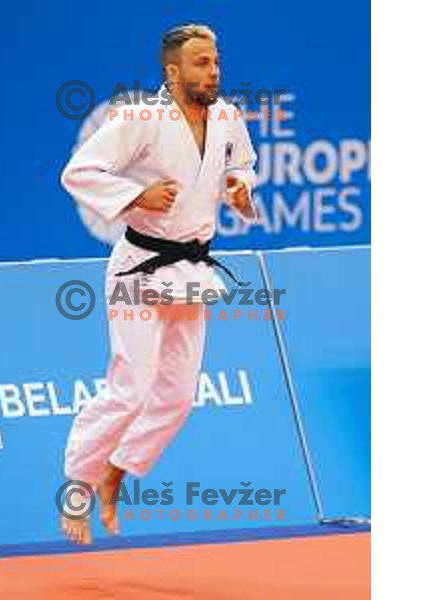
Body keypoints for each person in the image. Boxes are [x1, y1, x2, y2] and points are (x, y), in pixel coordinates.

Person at [59, 23, 258, 544]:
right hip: (138, 268)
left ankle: (116, 472)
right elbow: (79, 171)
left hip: (192, 269)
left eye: (216, 61)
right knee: (131, 388)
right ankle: (77, 488)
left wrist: (240, 188)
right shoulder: (142, 118)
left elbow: (244, 163)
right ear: (172, 71)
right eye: (200, 63)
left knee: (177, 396)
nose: (213, 71)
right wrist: (135, 196)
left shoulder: (228, 117)